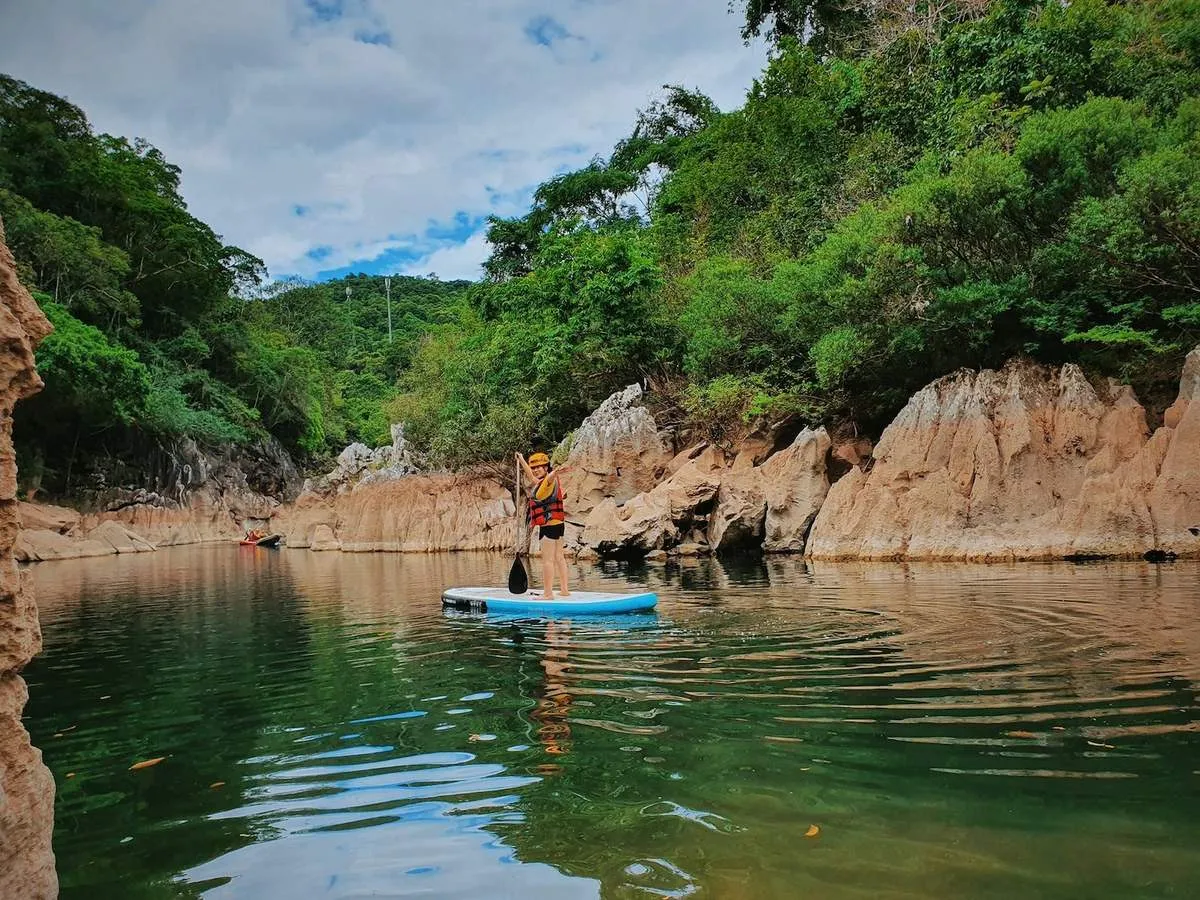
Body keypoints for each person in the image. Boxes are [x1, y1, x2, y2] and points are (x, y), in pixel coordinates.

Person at [516, 451, 571, 600]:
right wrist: (521, 460)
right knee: (559, 557)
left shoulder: (549, 480)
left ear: (547, 468)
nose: (536, 470)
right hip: (559, 524)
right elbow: (532, 477)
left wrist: (555, 472)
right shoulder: (544, 482)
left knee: (547, 560)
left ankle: (548, 594)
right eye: (534, 467)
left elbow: (550, 476)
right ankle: (564, 590)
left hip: (549, 527)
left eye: (540, 467)